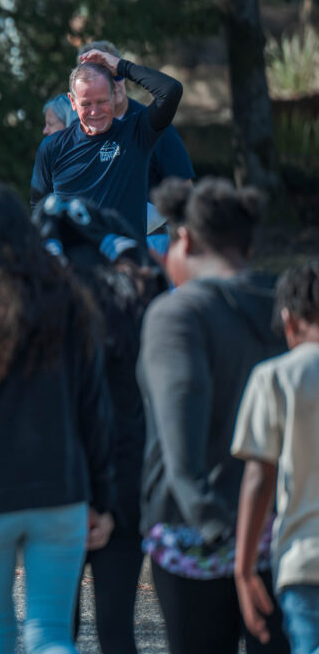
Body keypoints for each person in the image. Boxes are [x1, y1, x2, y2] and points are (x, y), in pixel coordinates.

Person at [0, 184, 115, 654]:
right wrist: (101, 496)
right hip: (62, 492)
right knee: (50, 633)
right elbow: (94, 410)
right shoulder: (68, 301)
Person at [139, 178, 289, 654]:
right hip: (282, 527)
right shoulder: (290, 306)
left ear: (184, 239)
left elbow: (180, 441)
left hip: (195, 533)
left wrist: (218, 530)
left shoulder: (177, 314)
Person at [33, 196, 168, 654]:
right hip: (123, 479)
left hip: (56, 484)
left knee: (55, 630)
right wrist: (112, 238)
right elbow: (154, 276)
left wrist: (50, 235)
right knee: (116, 631)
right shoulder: (136, 307)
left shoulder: (41, 316)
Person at [232, 262, 319, 654]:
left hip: (306, 562)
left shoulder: (275, 377)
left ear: (288, 320)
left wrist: (244, 567)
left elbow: (259, 478)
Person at [31, 50, 183, 234]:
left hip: (126, 251)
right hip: (76, 252)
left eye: (102, 101)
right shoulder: (52, 147)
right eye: (86, 104)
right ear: (72, 101)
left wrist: (120, 66)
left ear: (114, 96)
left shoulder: (136, 133)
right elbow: (39, 209)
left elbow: (171, 90)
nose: (95, 112)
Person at [76, 40, 195, 190]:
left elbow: (185, 189)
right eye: (104, 80)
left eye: (117, 75)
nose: (114, 85)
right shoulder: (76, 134)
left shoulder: (151, 123)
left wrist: (123, 66)